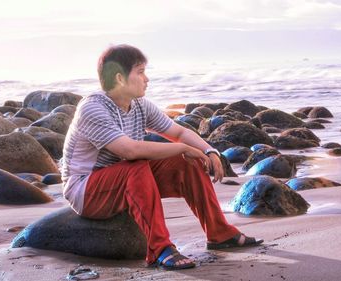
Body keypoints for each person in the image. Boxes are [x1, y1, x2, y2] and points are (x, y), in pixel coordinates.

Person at [61, 44, 263, 270]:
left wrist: (209, 151)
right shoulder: (93, 108)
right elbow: (130, 151)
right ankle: (160, 249)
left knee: (185, 162)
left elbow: (178, 132)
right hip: (86, 190)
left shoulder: (138, 105)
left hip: (123, 180)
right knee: (139, 165)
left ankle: (219, 233)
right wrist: (181, 148)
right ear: (119, 77)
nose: (147, 79)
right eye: (140, 72)